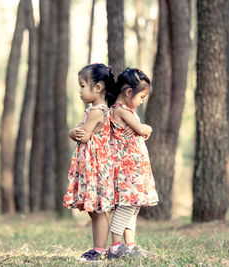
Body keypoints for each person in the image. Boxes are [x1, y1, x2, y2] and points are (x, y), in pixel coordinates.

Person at [63, 63, 115, 261]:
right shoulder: (92, 110)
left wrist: (74, 133)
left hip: (97, 166)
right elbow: (79, 131)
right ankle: (97, 248)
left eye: (83, 86)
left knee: (99, 210)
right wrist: (72, 132)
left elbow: (83, 135)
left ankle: (100, 250)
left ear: (98, 88)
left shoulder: (97, 111)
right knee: (94, 210)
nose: (80, 91)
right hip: (92, 165)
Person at [107, 68, 159, 259]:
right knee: (126, 207)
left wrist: (145, 130)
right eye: (142, 97)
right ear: (129, 92)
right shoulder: (120, 110)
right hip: (127, 170)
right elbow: (142, 128)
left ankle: (130, 245)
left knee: (133, 207)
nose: (142, 101)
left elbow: (142, 130)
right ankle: (115, 247)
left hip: (134, 169)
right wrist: (146, 128)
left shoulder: (127, 111)